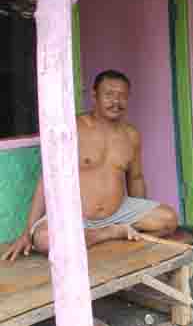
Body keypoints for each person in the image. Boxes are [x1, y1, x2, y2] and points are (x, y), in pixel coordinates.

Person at [2, 70, 178, 262]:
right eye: (109, 94)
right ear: (94, 95)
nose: (116, 101)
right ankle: (108, 234)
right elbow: (48, 178)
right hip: (76, 216)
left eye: (122, 96)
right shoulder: (73, 128)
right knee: (44, 240)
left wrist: (140, 217)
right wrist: (28, 231)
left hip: (118, 212)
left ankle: (104, 238)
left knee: (168, 219)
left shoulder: (131, 135)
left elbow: (135, 178)